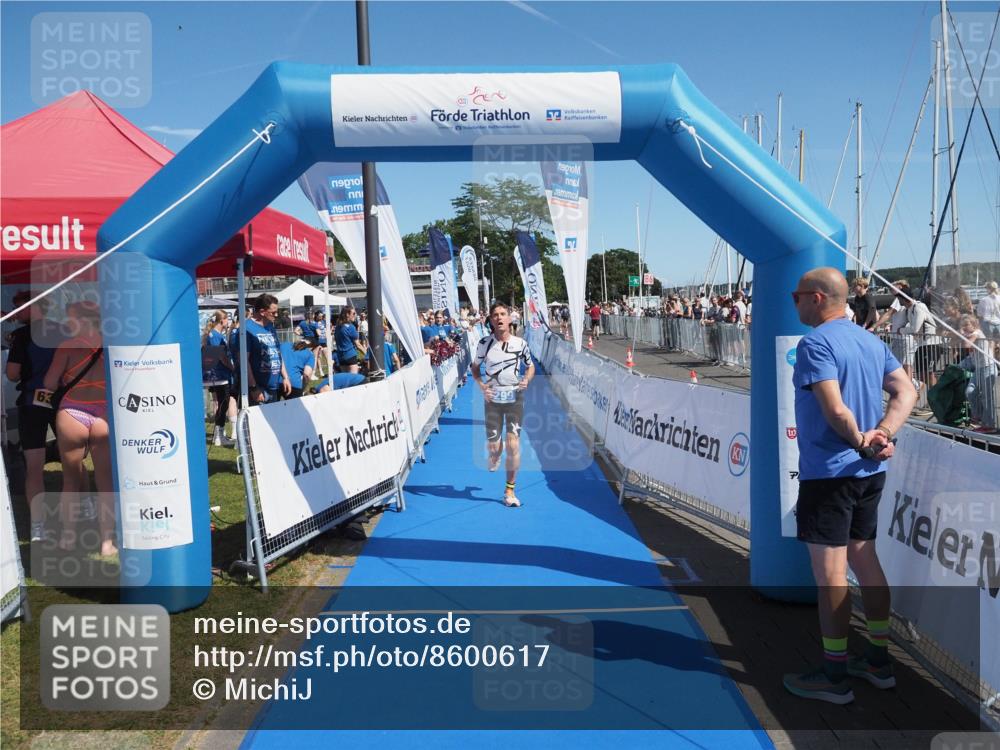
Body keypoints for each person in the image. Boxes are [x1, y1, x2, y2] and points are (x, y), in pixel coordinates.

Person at [783, 267, 916, 705]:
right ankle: (878, 660)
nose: (794, 302)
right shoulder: (869, 340)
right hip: (868, 473)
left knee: (831, 577)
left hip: (832, 473)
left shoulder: (816, 343)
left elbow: (835, 409)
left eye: (797, 295)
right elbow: (906, 391)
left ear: (817, 298)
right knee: (865, 558)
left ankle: (834, 675)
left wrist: (863, 440)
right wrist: (883, 435)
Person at [42, 301, 117, 555]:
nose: (67, 323)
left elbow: (50, 383)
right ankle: (107, 543)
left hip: (72, 412)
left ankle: (68, 538)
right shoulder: (111, 343)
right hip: (103, 412)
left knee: (70, 481)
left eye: (70, 318)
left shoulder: (66, 346)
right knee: (105, 481)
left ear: (82, 319)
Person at [5, 290, 63, 541]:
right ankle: (86, 507)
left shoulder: (22, 336)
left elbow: (12, 374)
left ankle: (38, 525)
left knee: (34, 465)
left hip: (32, 401)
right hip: (62, 399)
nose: (17, 313)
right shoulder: (64, 330)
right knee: (73, 460)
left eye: (21, 308)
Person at [471, 303, 535, 508]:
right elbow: (474, 368)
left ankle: (509, 491)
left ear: (509, 318)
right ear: (490, 320)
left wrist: (526, 379)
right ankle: (495, 454)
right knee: (495, 447)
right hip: (492, 400)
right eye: (495, 315)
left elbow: (530, 365)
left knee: (513, 445)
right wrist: (482, 386)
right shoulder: (484, 343)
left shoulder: (520, 343)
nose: (499, 318)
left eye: (502, 314)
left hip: (515, 398)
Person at [244, 294, 292, 404]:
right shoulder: (247, 329)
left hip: (273, 387)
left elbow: (277, 353)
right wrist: (253, 387)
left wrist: (285, 377)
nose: (276, 315)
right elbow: (243, 361)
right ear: (262, 312)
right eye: (273, 312)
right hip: (259, 389)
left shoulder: (270, 327)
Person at [201, 310, 236, 446]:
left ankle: (219, 435)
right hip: (219, 375)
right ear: (222, 320)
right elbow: (220, 355)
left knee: (222, 403)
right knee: (223, 403)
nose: (228, 322)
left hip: (219, 374)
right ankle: (219, 435)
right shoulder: (215, 335)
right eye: (227, 319)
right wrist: (232, 367)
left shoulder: (215, 335)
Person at [335, 306, 362, 373]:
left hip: (340, 357)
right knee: (353, 380)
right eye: (353, 313)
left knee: (346, 380)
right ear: (347, 314)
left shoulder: (338, 327)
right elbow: (358, 344)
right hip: (350, 356)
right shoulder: (350, 327)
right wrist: (367, 353)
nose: (355, 315)